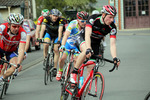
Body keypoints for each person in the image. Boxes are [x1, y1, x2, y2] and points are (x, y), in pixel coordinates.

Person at [70, 5, 121, 84]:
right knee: (85, 51)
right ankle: (74, 72)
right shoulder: (93, 18)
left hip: (96, 44)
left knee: (91, 71)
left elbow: (112, 44)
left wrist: (115, 57)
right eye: (110, 17)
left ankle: (82, 94)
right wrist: (88, 48)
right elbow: (87, 34)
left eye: (113, 17)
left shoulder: (112, 27)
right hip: (83, 38)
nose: (112, 20)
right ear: (103, 15)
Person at [56, 11, 89, 81]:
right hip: (68, 43)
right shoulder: (73, 24)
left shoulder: (87, 26)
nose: (84, 23)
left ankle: (74, 80)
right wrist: (62, 45)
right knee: (62, 58)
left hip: (77, 45)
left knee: (77, 61)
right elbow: (66, 35)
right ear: (78, 20)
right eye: (82, 21)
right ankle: (60, 70)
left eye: (86, 21)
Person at [0, 13, 26, 81]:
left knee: (14, 66)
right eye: (14, 26)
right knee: (2, 65)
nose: (16, 28)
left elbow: (21, 49)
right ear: (9, 25)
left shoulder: (22, 33)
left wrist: (18, 63)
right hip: (1, 49)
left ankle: (3, 78)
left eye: (18, 26)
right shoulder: (3, 27)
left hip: (11, 51)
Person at [40, 8, 65, 77]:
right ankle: (45, 58)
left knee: (56, 49)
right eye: (54, 16)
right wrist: (40, 38)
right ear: (50, 15)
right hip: (49, 34)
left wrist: (59, 40)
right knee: (46, 44)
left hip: (57, 35)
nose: (55, 17)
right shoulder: (46, 19)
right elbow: (42, 29)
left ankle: (54, 68)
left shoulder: (60, 20)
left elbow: (60, 31)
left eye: (56, 16)